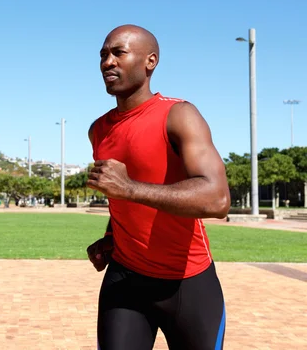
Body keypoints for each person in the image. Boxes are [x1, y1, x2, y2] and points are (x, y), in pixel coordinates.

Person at [86, 24, 231, 350]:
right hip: (125, 279)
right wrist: (112, 236)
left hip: (188, 283)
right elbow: (120, 197)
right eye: (103, 55)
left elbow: (218, 199)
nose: (108, 62)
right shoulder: (98, 130)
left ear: (150, 61)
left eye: (118, 53)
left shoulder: (179, 115)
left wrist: (130, 189)